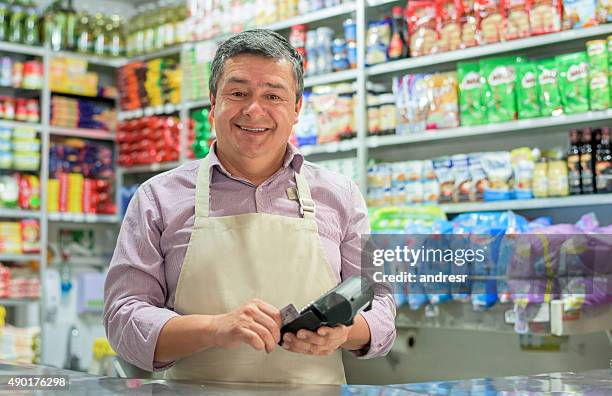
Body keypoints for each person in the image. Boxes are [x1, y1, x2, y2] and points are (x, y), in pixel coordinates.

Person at [103, 29, 396, 385]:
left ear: (296, 108)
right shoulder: (157, 198)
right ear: (213, 103)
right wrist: (214, 328)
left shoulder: (341, 195)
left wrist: (345, 333)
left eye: (273, 95)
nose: (254, 110)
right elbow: (123, 319)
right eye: (238, 93)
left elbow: (379, 300)